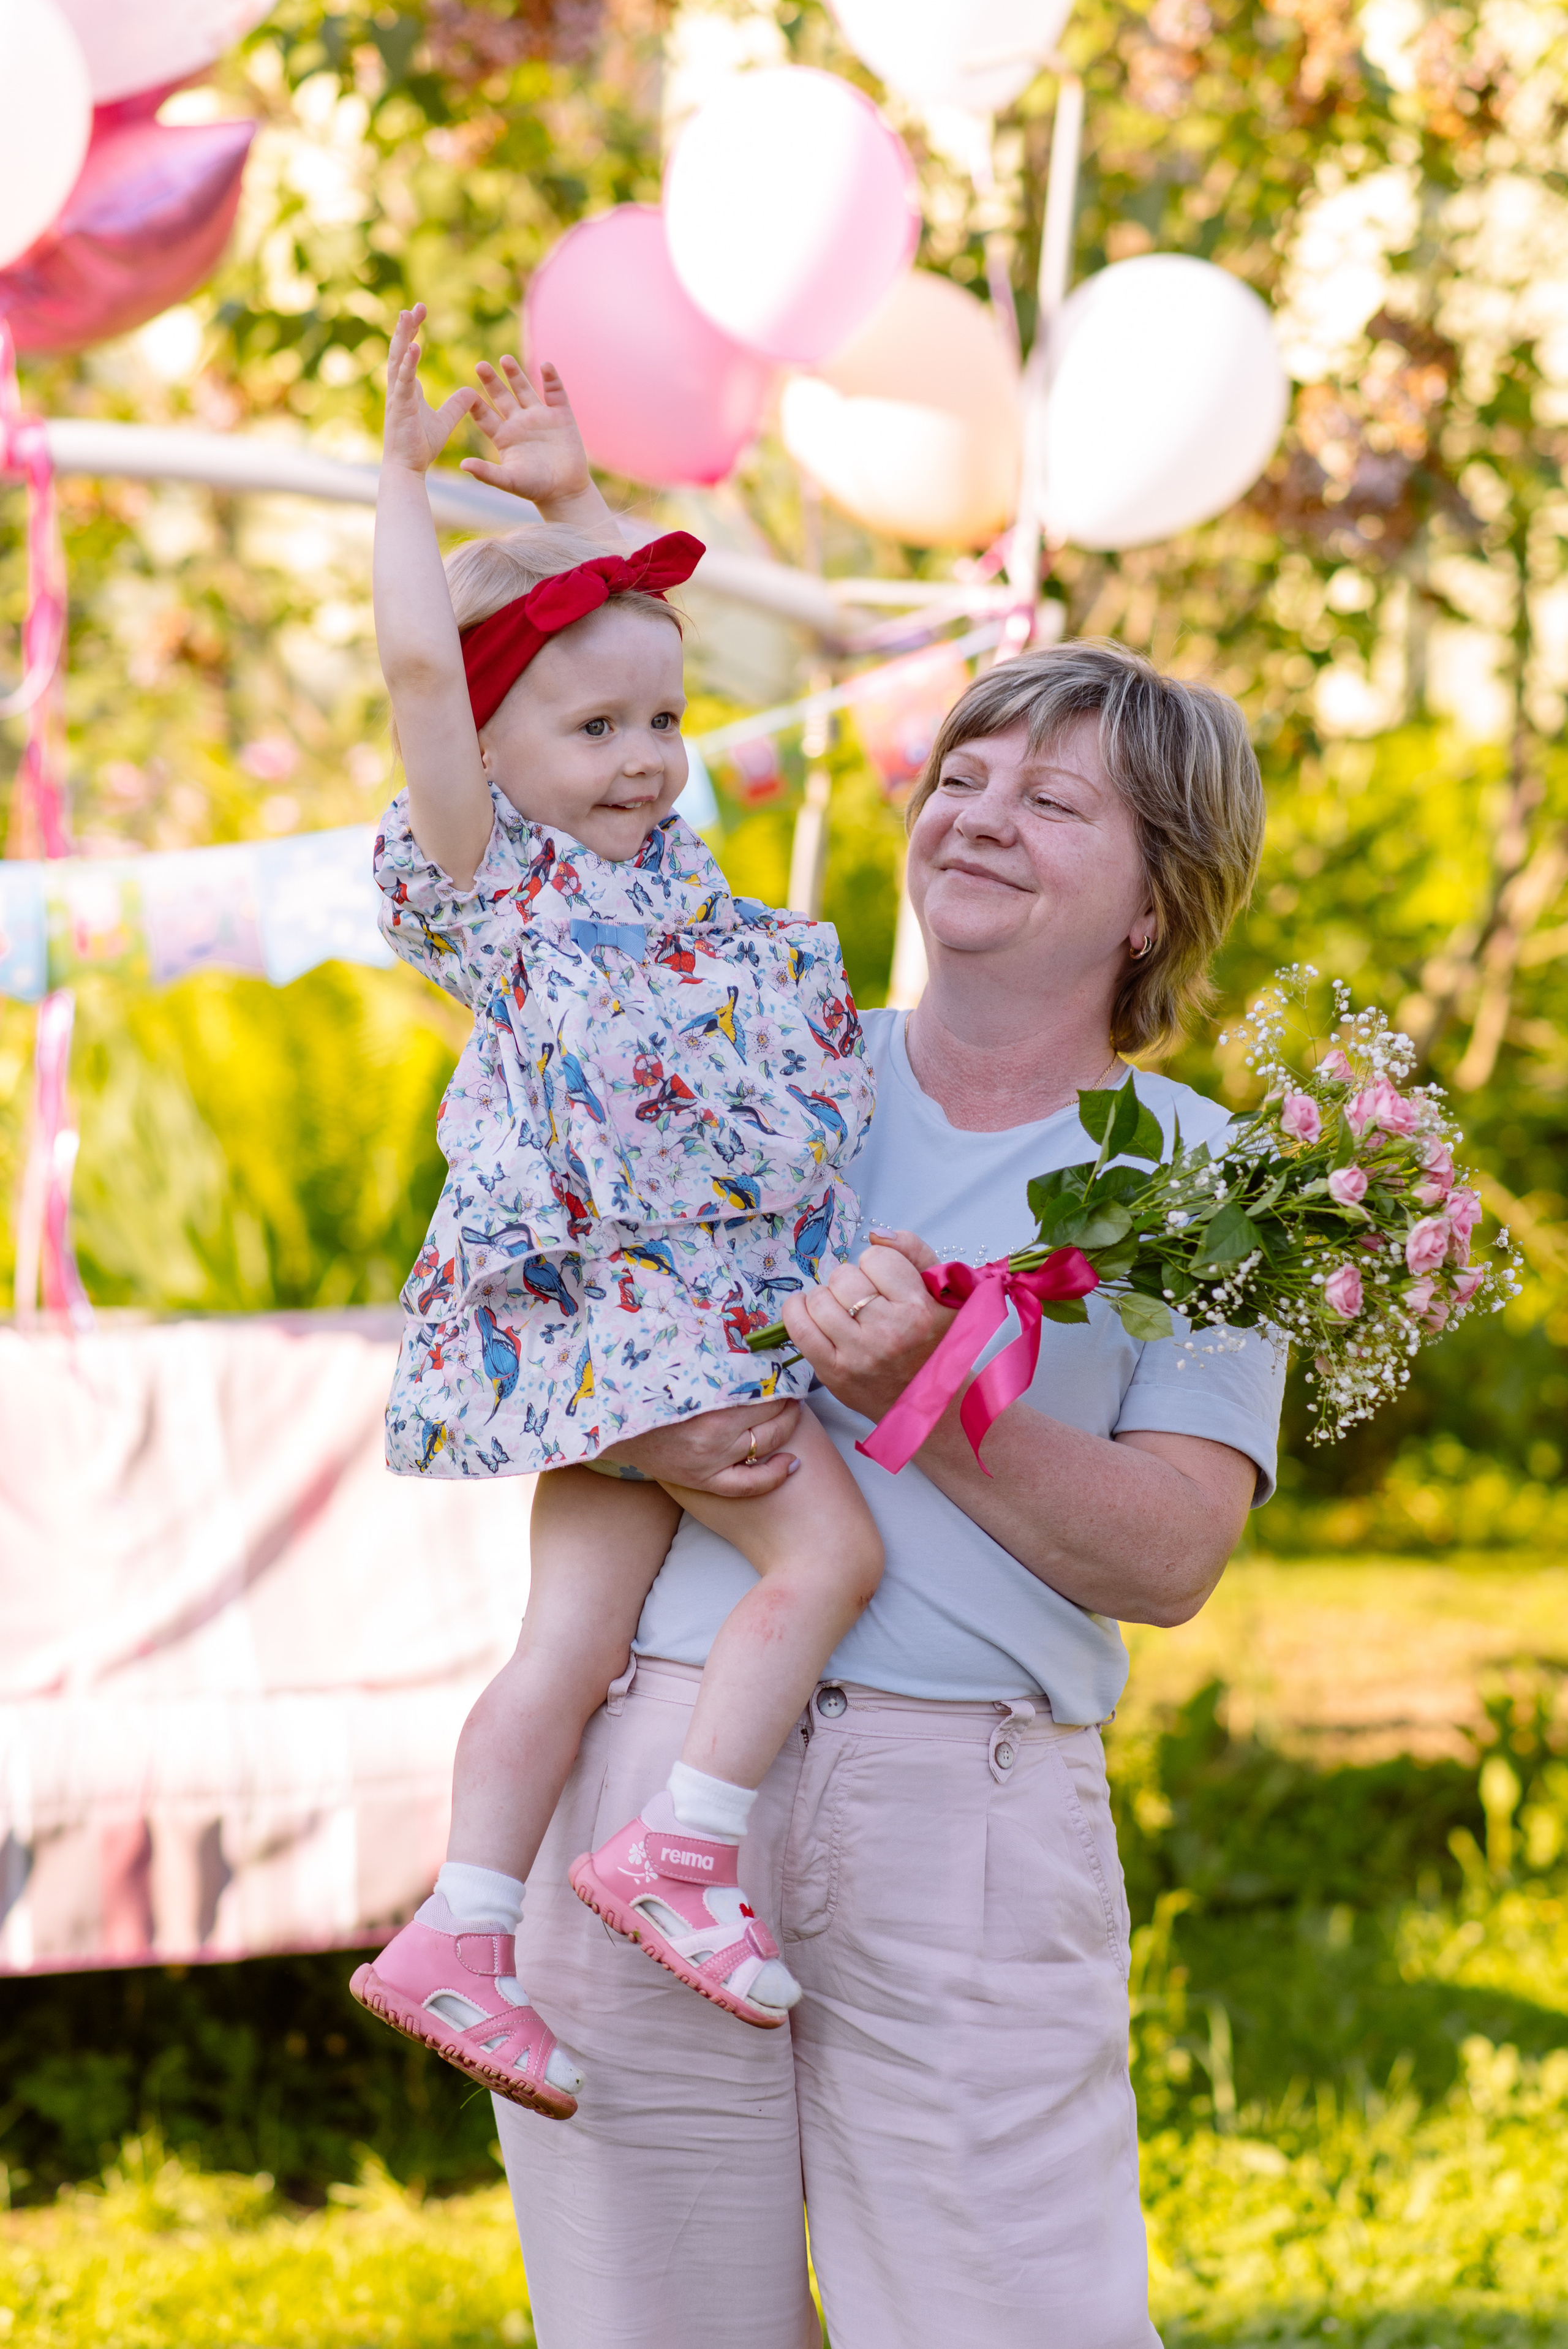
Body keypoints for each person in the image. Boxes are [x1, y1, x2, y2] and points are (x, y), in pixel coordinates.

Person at [491, 638, 1287, 2348]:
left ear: (1156, 901)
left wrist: (919, 1386)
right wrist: (642, 1432)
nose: (982, 813)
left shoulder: (1219, 1179)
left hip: (970, 1819)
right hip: (660, 1772)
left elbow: (1171, 1551)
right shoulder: (749, 1054)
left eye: (1055, 795)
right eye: (966, 776)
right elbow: (517, 1338)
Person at [351, 309, 884, 2114]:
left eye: (664, 720)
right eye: (595, 728)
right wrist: (399, 493)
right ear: (493, 759)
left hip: (614, 1332)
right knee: (830, 1555)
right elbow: (434, 679)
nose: (649, 756)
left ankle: (461, 1924)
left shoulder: (660, 870)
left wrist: (576, 504)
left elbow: (613, 635)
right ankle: (685, 1847)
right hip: (631, 1316)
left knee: (564, 1645)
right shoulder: (492, 876)